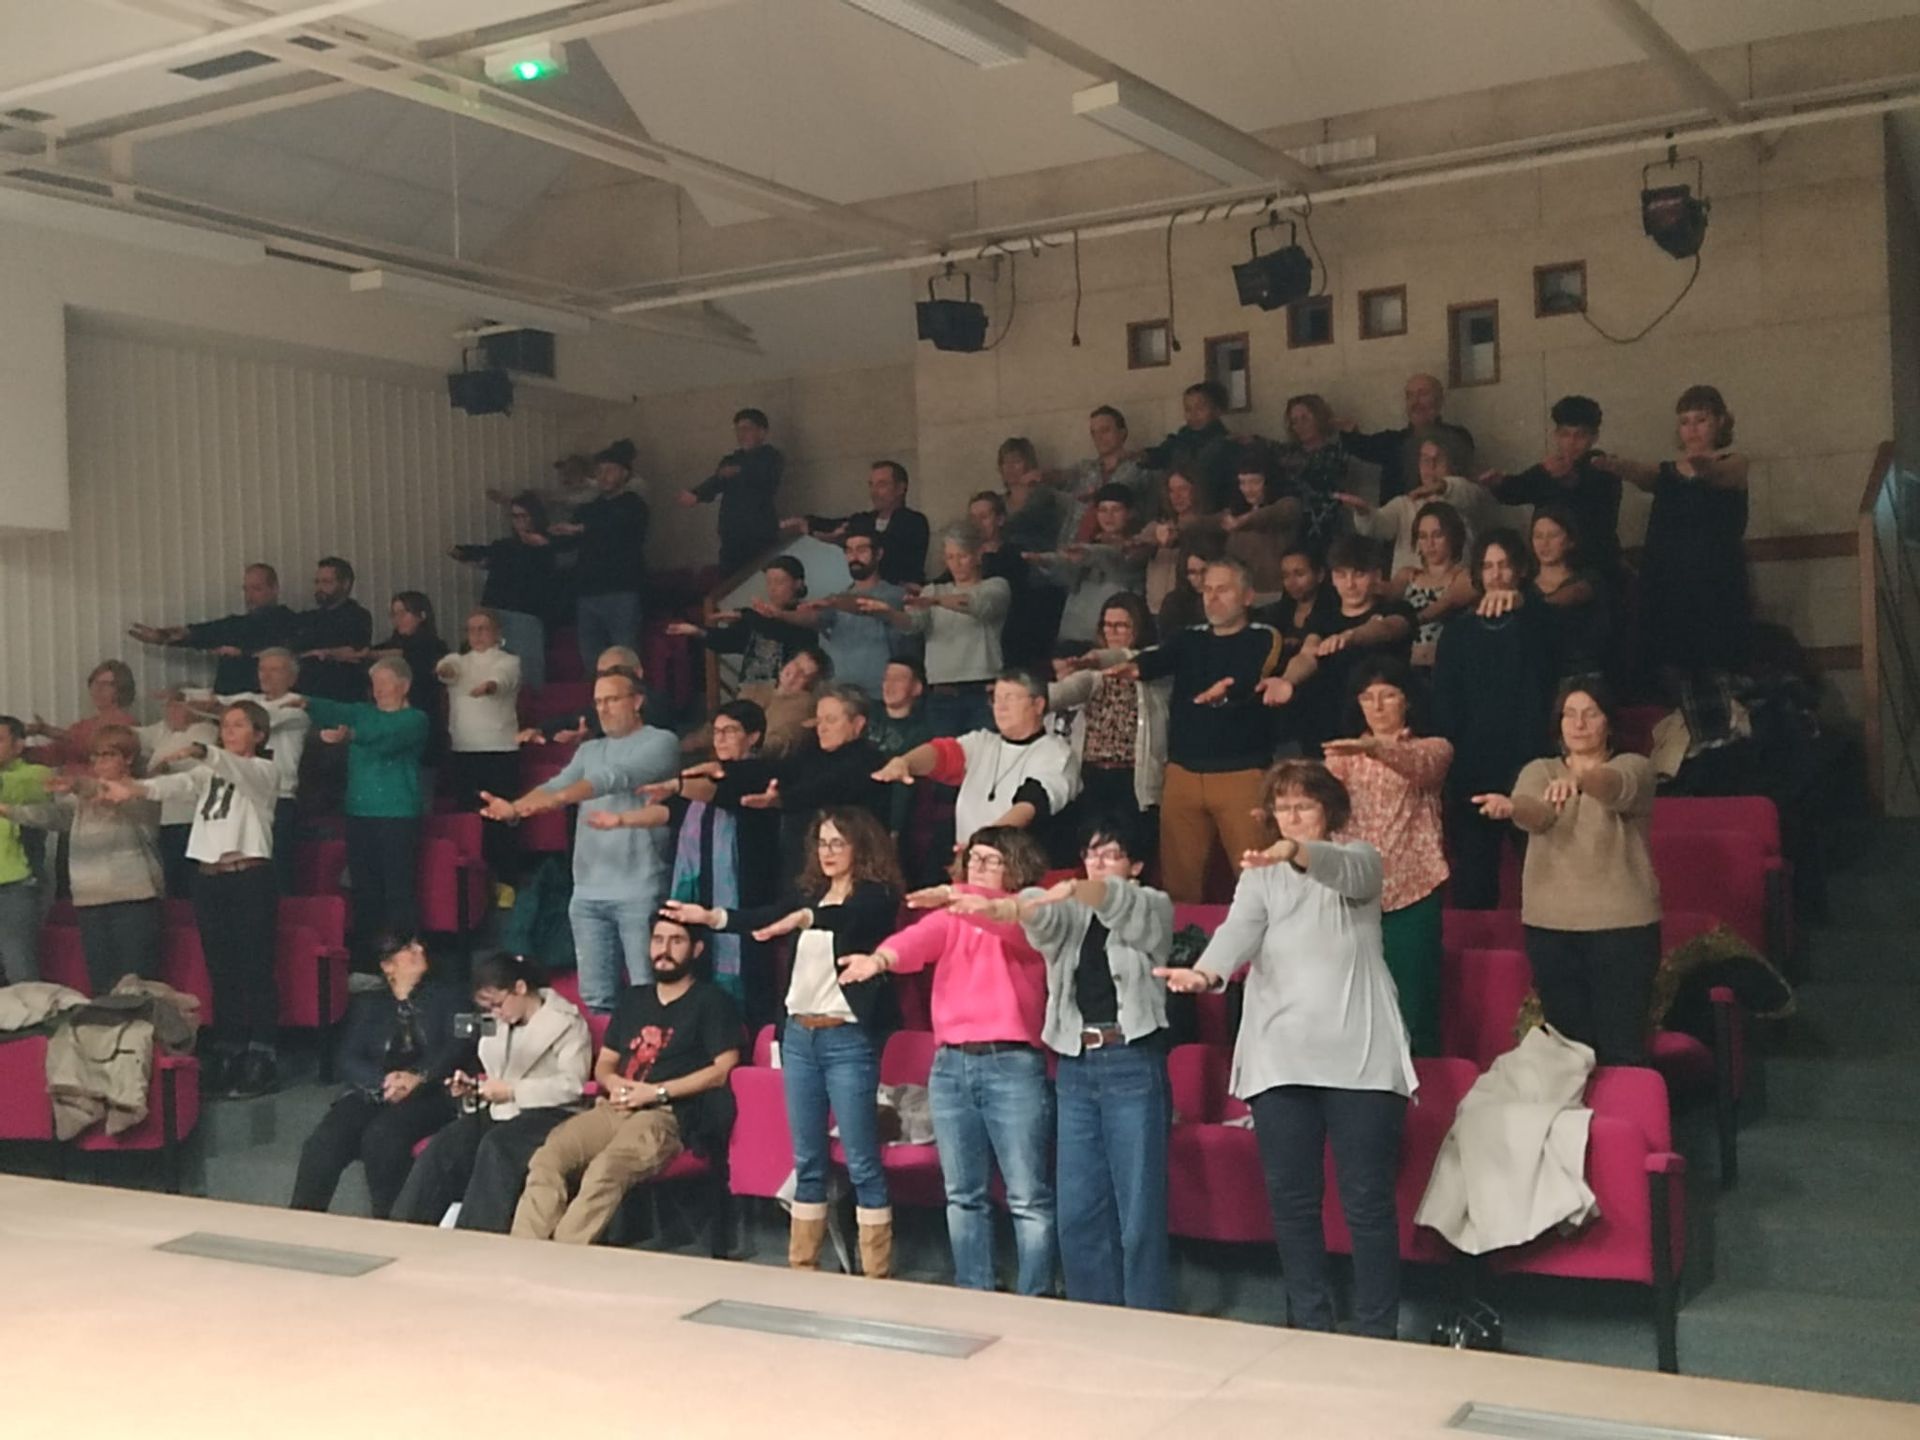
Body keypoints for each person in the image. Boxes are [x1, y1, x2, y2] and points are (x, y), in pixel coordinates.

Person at [1155, 760, 1416, 1339]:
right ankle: (1309, 1324)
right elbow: (1235, 934)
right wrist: (1204, 975)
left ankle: (1378, 1331)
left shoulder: (1360, 859)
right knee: (1293, 1201)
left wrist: (1294, 852)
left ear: (1329, 813)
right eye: (1284, 807)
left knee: (1366, 1201)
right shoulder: (1259, 877)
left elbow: (1340, 869)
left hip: (1360, 1056)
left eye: (1304, 807)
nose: (1292, 817)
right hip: (1280, 1056)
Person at [667, 807, 903, 1275]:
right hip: (799, 1037)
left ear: (860, 847)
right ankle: (802, 1266)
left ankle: (877, 1271)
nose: (828, 852)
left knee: (860, 1159)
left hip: (847, 1039)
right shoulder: (806, 892)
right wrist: (710, 916)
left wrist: (803, 918)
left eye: (838, 843)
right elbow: (763, 916)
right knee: (808, 1157)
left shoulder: (876, 896)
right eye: (822, 843)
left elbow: (846, 917)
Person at [957, 812, 1173, 1309]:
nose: (1097, 864)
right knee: (1078, 1208)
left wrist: (1078, 889)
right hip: (1076, 1063)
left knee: (1137, 1210)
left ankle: (1146, 1314)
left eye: (1111, 854)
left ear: (1136, 865)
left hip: (1130, 1059)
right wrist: (1005, 908)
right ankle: (1090, 1312)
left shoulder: (1152, 904)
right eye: (1090, 854)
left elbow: (1122, 905)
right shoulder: (1071, 908)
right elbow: (1041, 915)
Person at [838, 827, 1055, 1295]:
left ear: (1014, 866)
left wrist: (961, 896)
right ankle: (973, 1290)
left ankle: (1036, 1297)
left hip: (1012, 1064)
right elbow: (917, 939)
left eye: (990, 859)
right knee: (962, 1195)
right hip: (952, 1066)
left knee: (1028, 1197)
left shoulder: (1033, 909)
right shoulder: (953, 917)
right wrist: (879, 960)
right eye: (972, 857)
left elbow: (1004, 924)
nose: (977, 866)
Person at [513, 913, 742, 1244]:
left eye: (676, 941)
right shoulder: (634, 999)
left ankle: (562, 1254)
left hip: (667, 1114)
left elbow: (723, 1069)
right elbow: (605, 1063)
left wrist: (657, 1092)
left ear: (697, 949)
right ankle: (523, 1250)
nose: (664, 950)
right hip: (615, 1106)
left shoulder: (711, 1001)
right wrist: (613, 1082)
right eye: (658, 940)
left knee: (607, 1168)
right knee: (547, 1158)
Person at [97, 701, 281, 1096]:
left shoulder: (264, 771)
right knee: (222, 967)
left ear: (260, 735)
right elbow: (176, 785)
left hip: (248, 876)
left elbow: (236, 768)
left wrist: (202, 751)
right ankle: (230, 1049)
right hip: (210, 878)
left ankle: (262, 1053)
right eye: (225, 726)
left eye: (238, 726)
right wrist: (133, 788)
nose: (228, 732)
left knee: (255, 966)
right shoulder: (208, 774)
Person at [1475, 681, 1661, 1065]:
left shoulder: (1634, 766)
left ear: (1609, 722)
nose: (1579, 723)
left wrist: (1579, 780)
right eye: (1569, 714)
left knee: (1622, 1044)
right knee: (1568, 1052)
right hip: (1551, 927)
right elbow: (1538, 814)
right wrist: (1511, 808)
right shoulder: (1539, 770)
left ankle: (1628, 1121)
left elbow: (1614, 787)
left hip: (1622, 927)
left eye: (1591, 713)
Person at [480, 669, 679, 1014]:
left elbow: (614, 778)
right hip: (587, 890)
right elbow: (557, 785)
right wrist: (515, 808)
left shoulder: (661, 741)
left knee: (649, 991)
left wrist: (558, 800)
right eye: (598, 701)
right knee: (595, 998)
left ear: (637, 701)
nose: (603, 708)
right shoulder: (589, 749)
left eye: (613, 699)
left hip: (638, 886)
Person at [1109, 558, 1281, 903]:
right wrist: (1130, 666)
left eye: (1223, 590)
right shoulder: (1188, 638)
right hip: (1183, 772)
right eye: (1207, 590)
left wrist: (1228, 691)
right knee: (1178, 885)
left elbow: (1254, 677)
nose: (1212, 598)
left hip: (1241, 773)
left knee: (1262, 880)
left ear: (1248, 596)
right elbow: (1156, 659)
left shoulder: (1263, 637)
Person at [391, 953, 592, 1231]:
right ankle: (403, 1231)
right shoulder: (497, 1021)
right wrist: (473, 1087)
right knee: (446, 1145)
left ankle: (476, 1238)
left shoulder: (567, 1022)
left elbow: (573, 1085)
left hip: (551, 1114)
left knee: (497, 1147)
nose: (496, 1013)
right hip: (503, 1108)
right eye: (489, 1008)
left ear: (520, 988)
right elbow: (494, 1073)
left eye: (498, 1004)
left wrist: (513, 1091)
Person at [1323, 659, 1453, 1054]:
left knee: (1412, 1004)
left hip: (1413, 891)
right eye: (1367, 698)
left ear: (1408, 702)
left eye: (1388, 696)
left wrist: (1375, 749)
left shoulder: (1433, 748)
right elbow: (1317, 807)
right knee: (1350, 1001)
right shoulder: (1340, 758)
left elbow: (1420, 767)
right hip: (1352, 896)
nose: (1377, 706)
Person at [289, 933, 459, 1219]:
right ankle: (301, 1222)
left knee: (382, 1138)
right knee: (325, 1142)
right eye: (408, 947)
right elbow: (348, 1057)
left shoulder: (448, 996)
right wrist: (384, 1083)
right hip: (375, 1089)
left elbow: (455, 1047)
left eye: (419, 944)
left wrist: (418, 1077)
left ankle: (389, 1224)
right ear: (387, 966)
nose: (419, 949)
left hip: (428, 1093)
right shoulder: (370, 1004)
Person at [1431, 529, 1555, 908]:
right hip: (1473, 766)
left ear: (1520, 570)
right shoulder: (1457, 633)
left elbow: (1553, 659)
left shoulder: (1538, 622)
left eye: (1504, 566)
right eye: (1487, 566)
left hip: (1528, 762)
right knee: (1474, 877)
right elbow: (1446, 704)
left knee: (1542, 869)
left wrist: (1523, 604)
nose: (1496, 575)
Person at [1595, 384, 1751, 684]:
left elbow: (1723, 474)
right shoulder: (1666, 472)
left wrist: (1704, 467)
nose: (1692, 429)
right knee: (1668, 672)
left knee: (1718, 669)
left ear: (1720, 421)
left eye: (1701, 420)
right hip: (1667, 585)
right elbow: (1644, 474)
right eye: (1685, 422)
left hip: (1716, 585)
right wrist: (1617, 466)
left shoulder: (1734, 462)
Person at [0, 725, 163, 993]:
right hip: (89, 899)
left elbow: (104, 794)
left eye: (108, 755)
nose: (99, 763)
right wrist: (8, 810)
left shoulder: (142, 791)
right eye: (95, 757)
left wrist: (77, 784)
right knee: (101, 983)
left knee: (138, 984)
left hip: (133, 899)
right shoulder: (81, 801)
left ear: (129, 758)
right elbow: (50, 815)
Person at [297, 658, 429, 969]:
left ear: (404, 685)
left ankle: (405, 963)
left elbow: (387, 737)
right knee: (364, 890)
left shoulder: (415, 719)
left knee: (398, 890)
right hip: (359, 814)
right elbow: (333, 709)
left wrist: (351, 736)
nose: (379, 690)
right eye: (375, 683)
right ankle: (369, 964)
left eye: (385, 682)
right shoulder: (362, 712)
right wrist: (302, 701)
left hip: (398, 815)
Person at [652, 698, 780, 1016]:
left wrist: (676, 784)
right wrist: (620, 820)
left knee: (749, 983)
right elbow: (671, 812)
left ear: (753, 736)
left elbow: (721, 791)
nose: (720, 738)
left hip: (747, 895)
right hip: (700, 893)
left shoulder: (760, 774)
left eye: (731, 731)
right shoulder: (699, 779)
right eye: (717, 731)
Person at [871, 669, 1080, 855]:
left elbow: (1029, 805)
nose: (1001, 707)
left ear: (1038, 704)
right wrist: (906, 762)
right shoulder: (982, 742)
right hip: (972, 861)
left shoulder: (1056, 753)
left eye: (1010, 698)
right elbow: (940, 753)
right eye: (996, 699)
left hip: (1023, 870)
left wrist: (978, 848)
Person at [1278, 533, 1416, 753]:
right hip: (1326, 728)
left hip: (1380, 732)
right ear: (1332, 578)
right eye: (1341, 575)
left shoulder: (1397, 609)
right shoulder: (1323, 617)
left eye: (1359, 574)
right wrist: (1286, 681)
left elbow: (1387, 628)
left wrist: (1350, 636)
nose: (1350, 584)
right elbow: (1308, 654)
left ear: (1377, 576)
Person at [873, 522, 1010, 737]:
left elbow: (976, 604)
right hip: (941, 692)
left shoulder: (995, 586)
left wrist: (934, 601)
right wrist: (887, 613)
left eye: (962, 556)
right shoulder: (933, 591)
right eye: (950, 557)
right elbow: (913, 624)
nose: (956, 564)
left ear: (978, 555)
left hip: (982, 689)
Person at [1049, 594, 1168, 831]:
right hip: (1092, 773)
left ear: (1139, 627)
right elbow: (1063, 694)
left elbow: (1128, 656)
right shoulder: (1089, 671)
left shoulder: (1155, 663)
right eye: (1107, 625)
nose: (1112, 632)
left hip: (1132, 774)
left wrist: (1096, 660)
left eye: (1121, 625)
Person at [1480, 395, 1622, 572]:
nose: (1571, 442)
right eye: (1565, 435)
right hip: (1546, 563)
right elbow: (1517, 491)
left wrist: (1556, 476)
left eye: (1580, 436)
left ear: (1594, 437)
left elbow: (1589, 495)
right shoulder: (1549, 469)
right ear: (1556, 436)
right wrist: (1497, 483)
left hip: (1594, 565)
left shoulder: (1605, 469)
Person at [436, 610, 524, 888]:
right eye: (471, 629)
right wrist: (446, 670)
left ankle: (507, 882)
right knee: (470, 820)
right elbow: (447, 668)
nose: (477, 635)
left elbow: (501, 679)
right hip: (465, 751)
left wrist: (488, 686)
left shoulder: (509, 661)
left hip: (500, 751)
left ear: (497, 632)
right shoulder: (458, 661)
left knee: (501, 821)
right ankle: (477, 886)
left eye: (483, 628)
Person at [214, 648, 310, 893]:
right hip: (245, 797)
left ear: (292, 677)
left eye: (274, 670)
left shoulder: (297, 708)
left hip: (279, 798)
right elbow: (214, 701)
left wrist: (223, 711)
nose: (265, 675)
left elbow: (264, 720)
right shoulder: (249, 700)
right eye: (261, 669)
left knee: (277, 868)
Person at [552, 439, 650, 670]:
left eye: (610, 470)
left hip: (622, 590)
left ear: (625, 474)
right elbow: (569, 541)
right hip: (587, 592)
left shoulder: (633, 505)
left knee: (625, 658)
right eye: (599, 470)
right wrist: (547, 538)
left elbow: (617, 528)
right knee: (592, 661)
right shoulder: (588, 508)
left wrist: (581, 529)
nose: (604, 475)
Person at [127, 563, 297, 696]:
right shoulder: (236, 624)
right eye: (246, 589)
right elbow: (203, 633)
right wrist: (164, 637)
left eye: (256, 589)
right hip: (227, 705)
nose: (249, 597)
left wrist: (243, 655)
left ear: (274, 589)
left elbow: (286, 654)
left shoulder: (291, 622)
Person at [1342, 430, 1489, 578]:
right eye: (1425, 460)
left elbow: (1472, 494)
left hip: (1456, 592)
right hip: (1408, 594)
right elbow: (1376, 526)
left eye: (1438, 460)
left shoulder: (1464, 499)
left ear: (1454, 464)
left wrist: (1442, 486)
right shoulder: (1405, 504)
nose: (1431, 467)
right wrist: (1363, 511)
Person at [451, 490, 558, 690]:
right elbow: (483, 555)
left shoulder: (549, 546)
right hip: (497, 610)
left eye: (523, 516)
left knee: (525, 670)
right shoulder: (504, 546)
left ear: (535, 516)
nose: (519, 521)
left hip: (526, 613)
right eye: (514, 516)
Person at [1032, 485, 1151, 651]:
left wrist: (1088, 553)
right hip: (1073, 636)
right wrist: (1043, 561)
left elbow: (1116, 559)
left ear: (1130, 513)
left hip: (1112, 640)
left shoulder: (1138, 548)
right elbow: (1066, 576)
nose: (1108, 516)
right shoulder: (1087, 547)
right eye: (1102, 510)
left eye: (1115, 509)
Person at [667, 555, 810, 690]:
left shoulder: (807, 616)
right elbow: (731, 641)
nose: (772, 588)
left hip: (786, 694)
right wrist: (697, 631)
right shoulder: (755, 618)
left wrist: (745, 615)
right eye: (769, 582)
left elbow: (778, 631)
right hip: (751, 690)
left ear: (798, 584)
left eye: (779, 582)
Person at [787, 530, 902, 696]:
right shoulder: (832, 601)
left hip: (882, 694)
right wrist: (780, 615)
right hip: (841, 696)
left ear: (878, 554)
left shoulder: (895, 594)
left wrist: (833, 602)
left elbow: (862, 605)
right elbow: (814, 618)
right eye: (849, 551)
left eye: (861, 550)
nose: (854, 557)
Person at [1340, 372, 1476, 505]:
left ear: (1439, 400)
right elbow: (1361, 446)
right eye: (1409, 395)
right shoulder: (1392, 442)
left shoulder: (1458, 437)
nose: (1415, 402)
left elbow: (1467, 488)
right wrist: (1348, 430)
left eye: (1423, 394)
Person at [679, 406, 784, 573]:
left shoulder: (771, 457)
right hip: (732, 537)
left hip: (760, 534)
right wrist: (696, 494)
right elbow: (716, 483)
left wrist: (737, 471)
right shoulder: (730, 460)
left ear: (762, 432)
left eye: (746, 429)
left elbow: (763, 477)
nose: (741, 435)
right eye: (738, 430)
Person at [136, 691, 219, 899]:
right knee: (173, 880)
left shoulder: (204, 730)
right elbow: (135, 734)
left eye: (176, 706)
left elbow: (190, 764)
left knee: (191, 879)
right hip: (167, 817)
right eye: (168, 706)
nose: (169, 711)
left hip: (190, 815)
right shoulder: (165, 733)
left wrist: (161, 768)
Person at [801, 460, 929, 586]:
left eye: (881, 485)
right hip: (866, 590)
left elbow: (891, 551)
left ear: (901, 488)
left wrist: (844, 538)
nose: (874, 492)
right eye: (871, 485)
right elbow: (832, 525)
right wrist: (805, 524)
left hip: (904, 595)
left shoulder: (914, 522)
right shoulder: (865, 520)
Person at [1382, 501, 1473, 668]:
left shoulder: (1465, 576)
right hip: (1407, 668)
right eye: (1423, 536)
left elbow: (1448, 602)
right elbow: (1384, 598)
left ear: (1453, 536)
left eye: (1437, 535)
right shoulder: (1407, 575)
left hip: (1448, 667)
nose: (1429, 543)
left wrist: (1409, 622)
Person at [369, 592, 450, 769]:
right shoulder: (388, 645)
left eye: (403, 613)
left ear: (422, 615)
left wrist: (365, 654)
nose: (398, 619)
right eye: (394, 614)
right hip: (392, 725)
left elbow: (409, 656)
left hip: (424, 721)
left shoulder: (435, 647)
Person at [1529, 506, 1609, 681]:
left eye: (1553, 535)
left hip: (1582, 675)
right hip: (1538, 674)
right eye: (1538, 536)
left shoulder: (1589, 580)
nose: (1544, 543)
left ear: (1571, 540)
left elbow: (1571, 595)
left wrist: (1527, 605)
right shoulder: (1525, 586)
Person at [1051, 404, 1152, 540]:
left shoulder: (1141, 467)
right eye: (1094, 433)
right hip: (1070, 547)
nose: (1099, 437)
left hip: (1116, 549)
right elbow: (1060, 477)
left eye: (1105, 431)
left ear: (1122, 433)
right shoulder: (1085, 468)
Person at [0, 717, 51, 984]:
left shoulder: (37, 774)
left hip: (18, 884)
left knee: (19, 966)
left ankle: (30, 1027)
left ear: (19, 745)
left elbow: (13, 789)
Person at [1216, 447, 1303, 598]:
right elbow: (1207, 522)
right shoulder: (1233, 513)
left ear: (1269, 481)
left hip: (1278, 594)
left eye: (1255, 482)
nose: (1248, 489)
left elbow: (1275, 513)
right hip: (1244, 595)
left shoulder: (1288, 505)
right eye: (1242, 483)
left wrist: (1243, 521)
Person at [1143, 381, 1243, 509]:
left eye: (1200, 408)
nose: (1193, 415)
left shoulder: (1228, 445)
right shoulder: (1179, 441)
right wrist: (1141, 456)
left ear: (1218, 410)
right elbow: (1158, 455)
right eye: (1188, 409)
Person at [26, 660, 138, 769]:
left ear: (122, 689)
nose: (98, 689)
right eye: (95, 683)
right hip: (66, 785)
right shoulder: (81, 726)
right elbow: (54, 754)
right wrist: (16, 747)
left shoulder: (127, 724)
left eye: (106, 684)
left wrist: (46, 730)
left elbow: (97, 747)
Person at [292, 557, 375, 703]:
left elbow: (356, 652)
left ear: (345, 584)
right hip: (309, 693)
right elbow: (293, 651)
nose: (319, 588)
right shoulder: (309, 618)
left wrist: (326, 653)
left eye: (326, 582)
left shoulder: (358, 616)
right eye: (317, 582)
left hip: (343, 692)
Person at [1277, 393, 1351, 551]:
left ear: (1319, 417)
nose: (1300, 426)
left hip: (1327, 524)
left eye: (1305, 418)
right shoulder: (1286, 452)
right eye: (1294, 421)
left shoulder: (1335, 451)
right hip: (1292, 527)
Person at [1255, 542, 1341, 669]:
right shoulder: (1276, 612)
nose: (1291, 582)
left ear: (1320, 575)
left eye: (1299, 574)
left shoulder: (1334, 611)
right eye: (1285, 576)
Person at [1143, 468, 1217, 616]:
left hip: (1193, 609)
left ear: (1196, 491)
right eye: (1171, 490)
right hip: (1155, 609)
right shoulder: (1156, 527)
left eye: (1183, 489)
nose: (1176, 496)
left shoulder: (1209, 526)